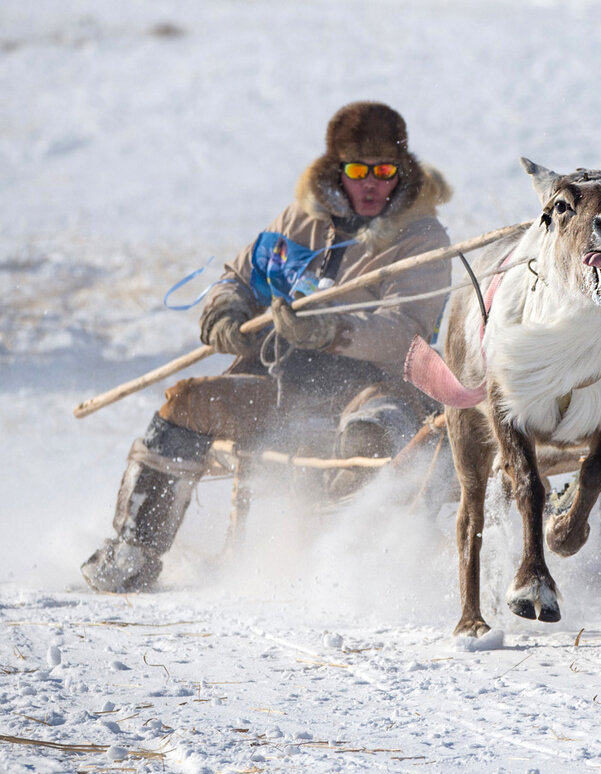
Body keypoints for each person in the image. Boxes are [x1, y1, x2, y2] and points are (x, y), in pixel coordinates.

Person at [81, 101, 453, 593]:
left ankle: (356, 576)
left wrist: (332, 331)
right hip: (282, 383)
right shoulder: (298, 221)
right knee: (186, 403)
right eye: (357, 170)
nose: (370, 184)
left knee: (373, 431)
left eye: (383, 171)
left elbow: (406, 327)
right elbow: (239, 276)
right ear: (336, 171)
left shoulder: (423, 237)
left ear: (401, 171)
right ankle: (133, 553)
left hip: (374, 386)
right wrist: (225, 310)